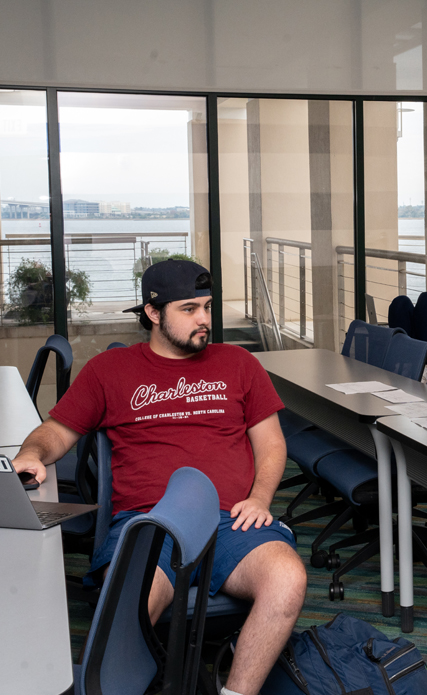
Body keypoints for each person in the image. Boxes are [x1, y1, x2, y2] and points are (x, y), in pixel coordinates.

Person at [12, 260, 307, 695]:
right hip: (151, 521)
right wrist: (31, 454)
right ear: (153, 313)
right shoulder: (110, 370)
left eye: (207, 306)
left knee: (288, 579)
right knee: (134, 606)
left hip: (233, 519)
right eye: (189, 309)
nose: (204, 319)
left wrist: (261, 498)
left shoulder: (239, 364)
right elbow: (58, 430)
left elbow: (272, 445)